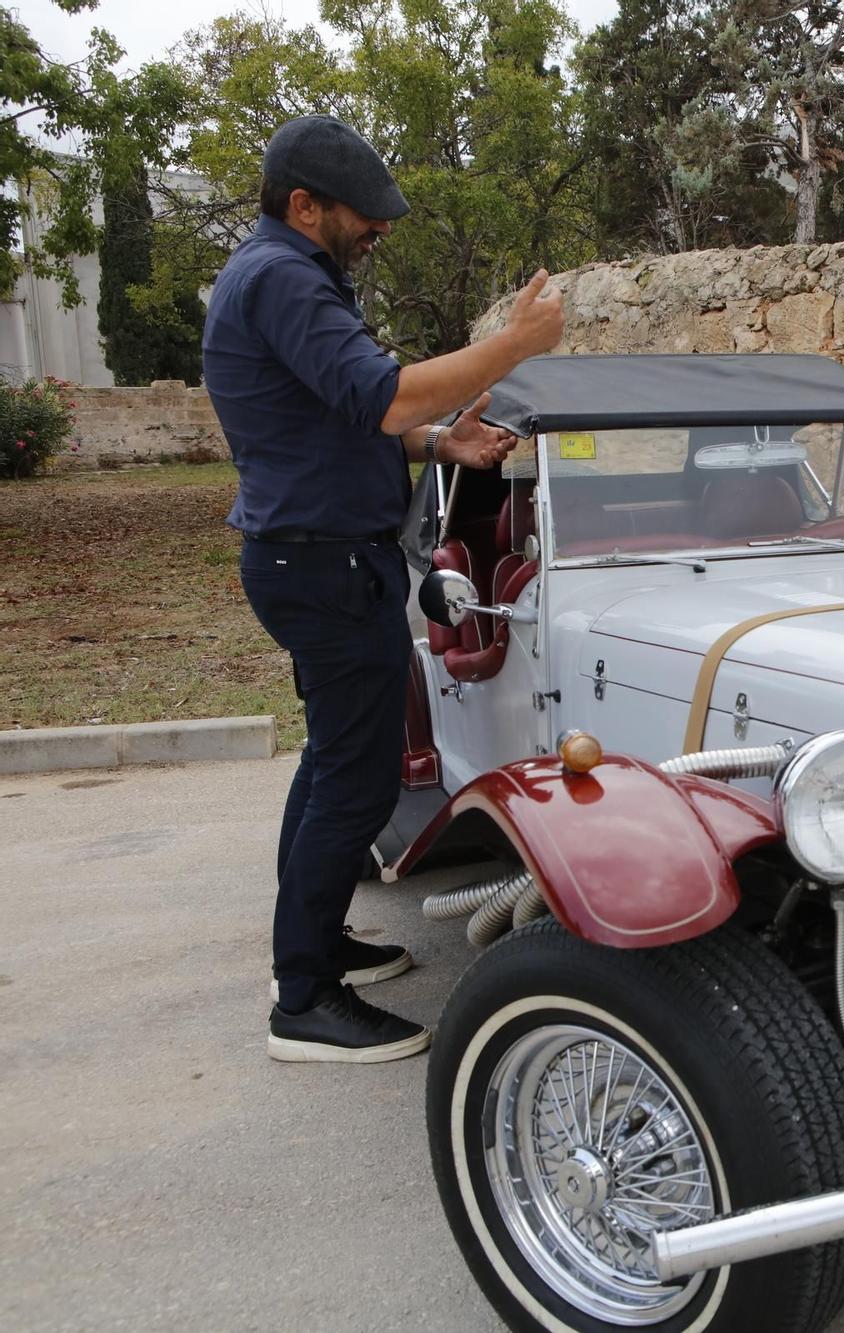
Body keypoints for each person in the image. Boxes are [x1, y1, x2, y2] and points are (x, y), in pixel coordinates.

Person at [203, 114, 566, 1063]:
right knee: (357, 779)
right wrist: (512, 347)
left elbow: (344, 419)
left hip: (311, 557)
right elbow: (387, 395)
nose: (380, 231)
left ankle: (315, 948)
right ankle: (304, 1000)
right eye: (365, 216)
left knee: (332, 761)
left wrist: (440, 445)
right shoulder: (283, 277)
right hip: (321, 565)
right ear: (304, 205)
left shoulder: (281, 274)